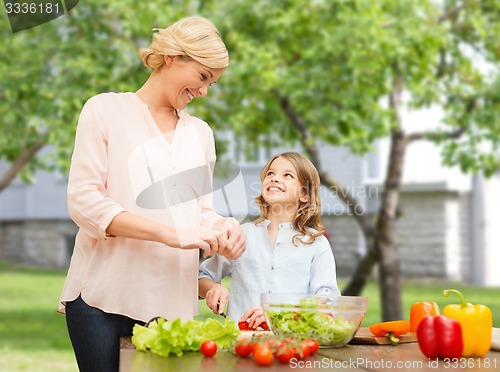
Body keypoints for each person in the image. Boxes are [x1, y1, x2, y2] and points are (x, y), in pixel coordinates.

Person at [58, 16, 245, 372]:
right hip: (102, 295)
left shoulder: (201, 133)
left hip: (169, 303)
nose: (204, 91)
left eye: (213, 83)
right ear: (173, 57)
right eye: (203, 77)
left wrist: (224, 225)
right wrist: (169, 235)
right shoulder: (104, 110)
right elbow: (84, 200)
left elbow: (198, 212)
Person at [198, 152, 340, 329]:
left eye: (287, 175)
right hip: (242, 342)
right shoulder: (241, 235)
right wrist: (212, 288)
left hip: (292, 344)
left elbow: (328, 300)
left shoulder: (315, 243)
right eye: (270, 174)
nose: (274, 179)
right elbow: (201, 276)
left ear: (304, 194)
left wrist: (281, 315)